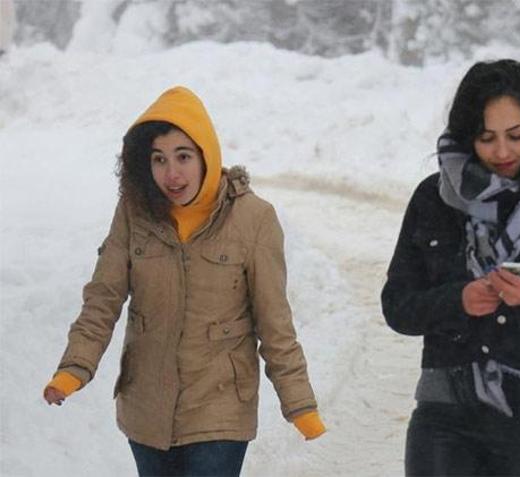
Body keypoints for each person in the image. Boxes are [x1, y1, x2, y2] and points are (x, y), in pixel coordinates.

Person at [43, 86, 326, 476]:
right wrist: (74, 368)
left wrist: (299, 404)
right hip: (146, 409)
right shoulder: (134, 213)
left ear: (206, 155)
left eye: (183, 156)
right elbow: (103, 299)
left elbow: (274, 321)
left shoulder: (253, 219)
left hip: (220, 410)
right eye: (158, 159)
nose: (171, 174)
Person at [381, 59, 520, 476]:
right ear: (466, 137)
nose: (502, 152)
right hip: (446, 421)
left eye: (516, 136)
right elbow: (397, 307)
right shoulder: (433, 199)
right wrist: (458, 300)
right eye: (486, 138)